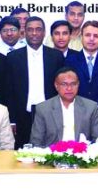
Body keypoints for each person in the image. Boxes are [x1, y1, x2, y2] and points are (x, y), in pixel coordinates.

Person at [7, 16, 66, 148]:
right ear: (24, 32)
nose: (34, 33)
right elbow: (9, 91)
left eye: (38, 29)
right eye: (30, 30)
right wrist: (12, 120)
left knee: (50, 155)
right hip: (23, 116)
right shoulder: (13, 57)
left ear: (44, 33)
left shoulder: (56, 56)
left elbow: (61, 87)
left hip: (51, 115)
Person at [30, 67, 98, 147]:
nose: (69, 88)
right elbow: (36, 142)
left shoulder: (91, 107)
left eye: (73, 84)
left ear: (78, 84)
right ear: (56, 85)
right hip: (52, 156)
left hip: (83, 156)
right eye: (64, 84)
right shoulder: (43, 108)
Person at [66, 21, 98, 133]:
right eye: (88, 35)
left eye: (96, 36)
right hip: (75, 112)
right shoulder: (70, 61)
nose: (91, 39)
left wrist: (97, 105)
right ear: (81, 37)